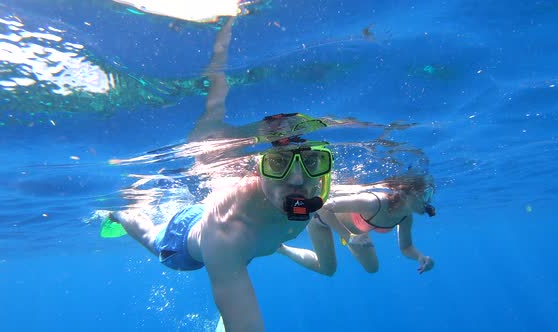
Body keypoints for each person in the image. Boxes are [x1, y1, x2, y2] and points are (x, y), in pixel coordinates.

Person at [105, 16, 334, 332]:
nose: (298, 180)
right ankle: (118, 212)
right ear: (258, 168)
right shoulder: (226, 236)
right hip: (185, 241)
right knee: (146, 232)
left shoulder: (316, 195)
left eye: (312, 163)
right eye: (279, 164)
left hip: (233, 227)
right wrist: (225, 28)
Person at [277, 174, 436, 275]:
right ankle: (282, 249)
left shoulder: (405, 217)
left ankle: (350, 238)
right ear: (407, 193)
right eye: (426, 194)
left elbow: (406, 247)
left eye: (432, 195)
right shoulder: (374, 203)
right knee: (327, 270)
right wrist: (348, 236)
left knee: (372, 269)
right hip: (321, 220)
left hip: (355, 232)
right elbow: (322, 207)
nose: (429, 201)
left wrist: (420, 257)